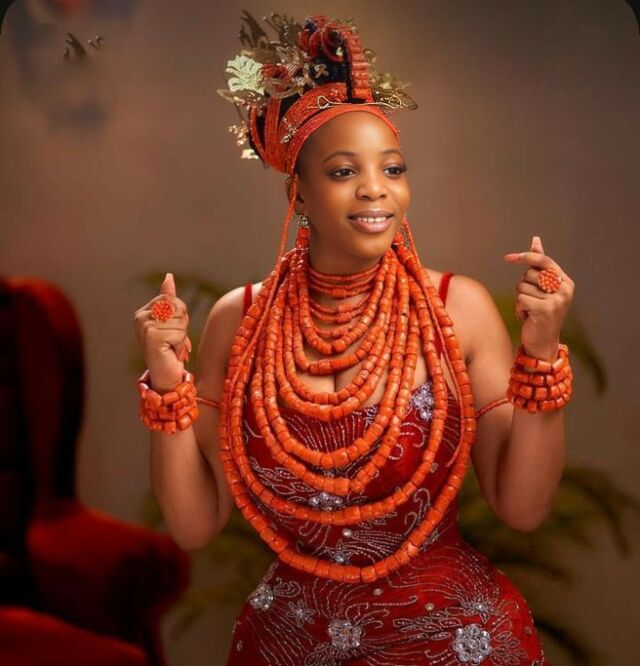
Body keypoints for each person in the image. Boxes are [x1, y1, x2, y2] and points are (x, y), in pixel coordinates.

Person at [133, 13, 575, 665]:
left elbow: (523, 507)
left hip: (456, 640)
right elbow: (195, 524)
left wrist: (540, 351)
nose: (376, 189)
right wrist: (168, 383)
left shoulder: (458, 309)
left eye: (392, 168)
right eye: (344, 171)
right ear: (298, 193)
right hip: (288, 644)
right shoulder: (240, 319)